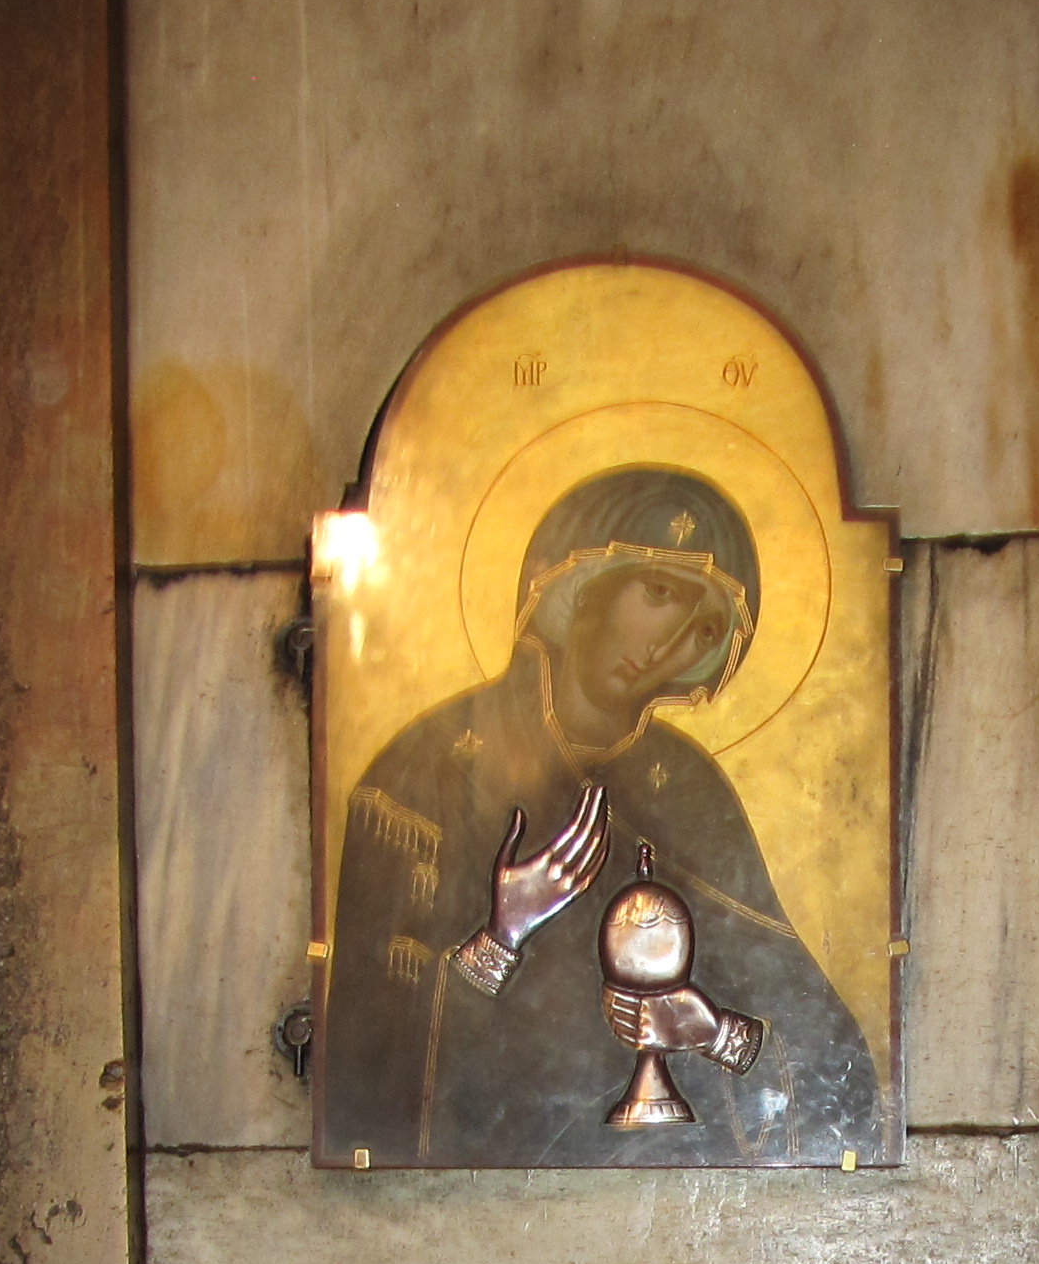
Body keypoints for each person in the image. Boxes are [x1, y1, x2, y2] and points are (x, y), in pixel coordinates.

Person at [314, 464, 882, 1165]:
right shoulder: (422, 773)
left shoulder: (691, 791)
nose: (668, 645)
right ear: (582, 584)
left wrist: (713, 1035)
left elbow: (842, 1077)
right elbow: (361, 1080)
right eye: (660, 593)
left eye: (704, 628)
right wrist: (501, 936)